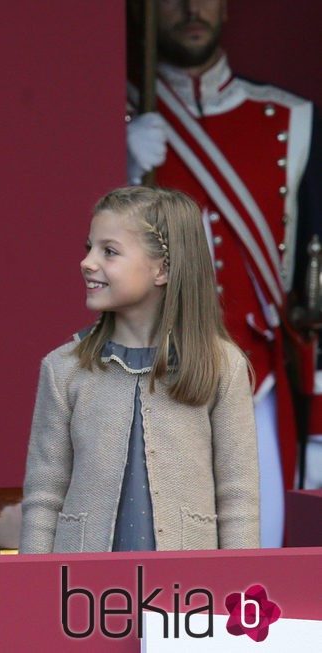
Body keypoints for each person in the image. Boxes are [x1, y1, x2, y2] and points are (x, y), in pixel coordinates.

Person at [126, 0, 322, 547]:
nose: (191, 9)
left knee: (256, 572)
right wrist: (115, 162)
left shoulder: (290, 118)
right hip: (152, 376)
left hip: (256, 379)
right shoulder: (118, 112)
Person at [20, 186, 260, 553]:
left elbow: (238, 496)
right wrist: (32, 587)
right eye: (89, 248)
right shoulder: (62, 369)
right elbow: (44, 496)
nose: (87, 262)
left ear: (162, 269)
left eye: (109, 251)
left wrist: (239, 593)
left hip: (190, 593)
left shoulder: (222, 366)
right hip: (82, 591)